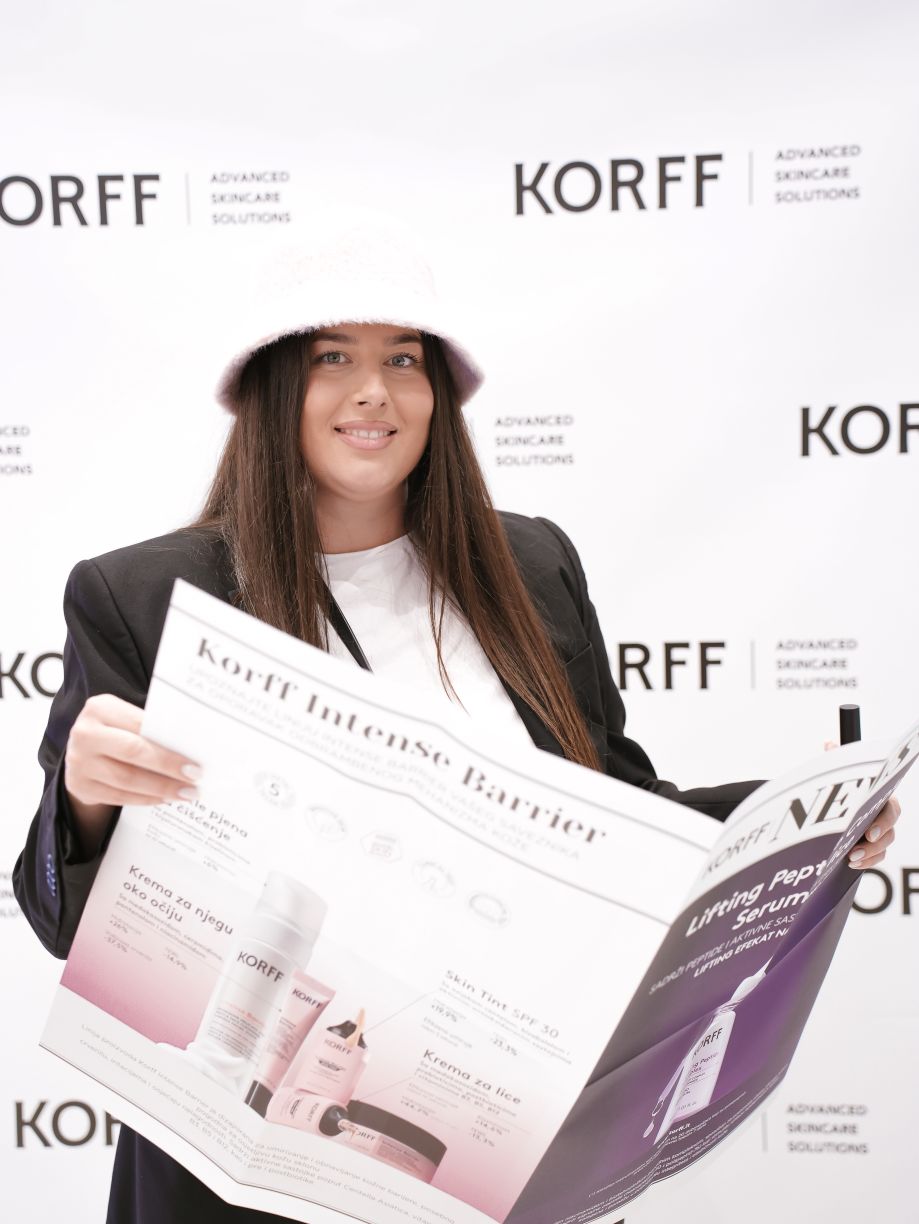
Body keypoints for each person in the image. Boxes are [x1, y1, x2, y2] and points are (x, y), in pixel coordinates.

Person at [12, 231, 899, 1223]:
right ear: (271, 390)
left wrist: (798, 822)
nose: (373, 393)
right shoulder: (144, 595)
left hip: (487, 1156)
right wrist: (84, 799)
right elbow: (67, 925)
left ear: (438, 392)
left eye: (404, 359)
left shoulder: (531, 566)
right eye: (332, 358)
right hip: (241, 1176)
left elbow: (620, 816)